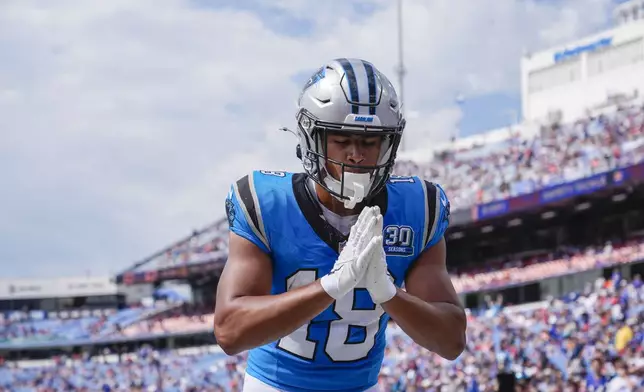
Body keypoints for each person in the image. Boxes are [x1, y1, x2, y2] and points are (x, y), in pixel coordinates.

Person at [214, 58, 466, 392]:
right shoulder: (266, 203)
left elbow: (451, 341)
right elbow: (230, 331)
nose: (356, 155)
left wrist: (388, 293)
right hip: (275, 386)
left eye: (368, 141)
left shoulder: (418, 208)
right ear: (312, 138)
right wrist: (330, 287)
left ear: (388, 144)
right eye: (342, 139)